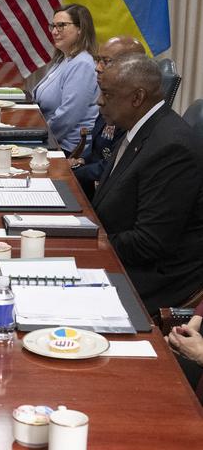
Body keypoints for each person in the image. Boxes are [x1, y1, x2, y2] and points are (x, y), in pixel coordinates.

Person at [93, 54, 203, 313]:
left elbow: (149, 243)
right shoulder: (140, 126)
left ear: (137, 98)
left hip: (151, 279)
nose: (99, 101)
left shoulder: (171, 147)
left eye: (107, 94)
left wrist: (87, 244)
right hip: (122, 255)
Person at [69, 36, 145, 199]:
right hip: (91, 176)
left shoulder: (131, 107)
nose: (97, 67)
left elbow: (114, 164)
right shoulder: (109, 95)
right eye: (98, 60)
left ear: (131, 68)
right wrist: (82, 160)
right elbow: (97, 144)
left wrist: (74, 172)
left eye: (105, 61)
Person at [33, 4, 98, 154]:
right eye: (53, 26)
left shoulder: (83, 64)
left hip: (66, 147)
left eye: (61, 25)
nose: (54, 32)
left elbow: (67, 116)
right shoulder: (65, 59)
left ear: (80, 29)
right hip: (49, 137)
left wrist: (37, 138)